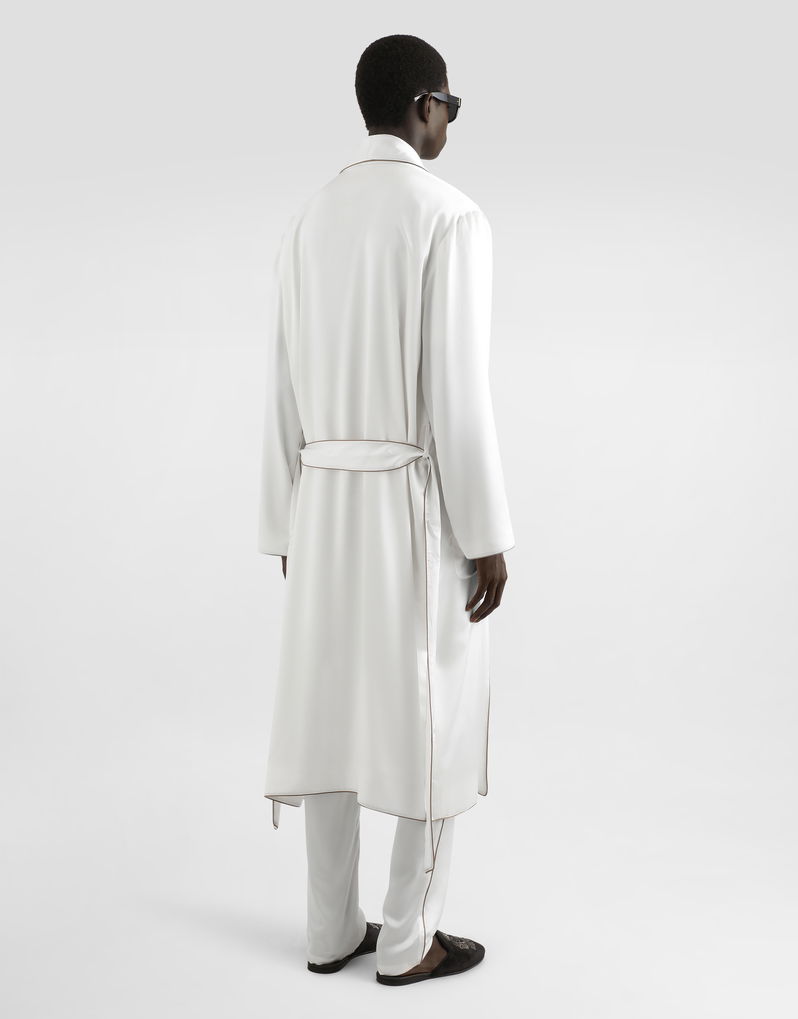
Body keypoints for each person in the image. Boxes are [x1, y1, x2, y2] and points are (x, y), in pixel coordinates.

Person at [257, 34, 515, 985]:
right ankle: (408, 939)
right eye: (451, 105)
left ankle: (330, 928)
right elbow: (459, 392)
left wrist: (284, 518)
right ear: (423, 105)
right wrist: (487, 534)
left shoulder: (309, 217)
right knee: (431, 714)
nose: (451, 121)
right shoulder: (448, 216)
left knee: (329, 710)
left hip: (323, 499)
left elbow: (282, 380)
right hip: (411, 505)